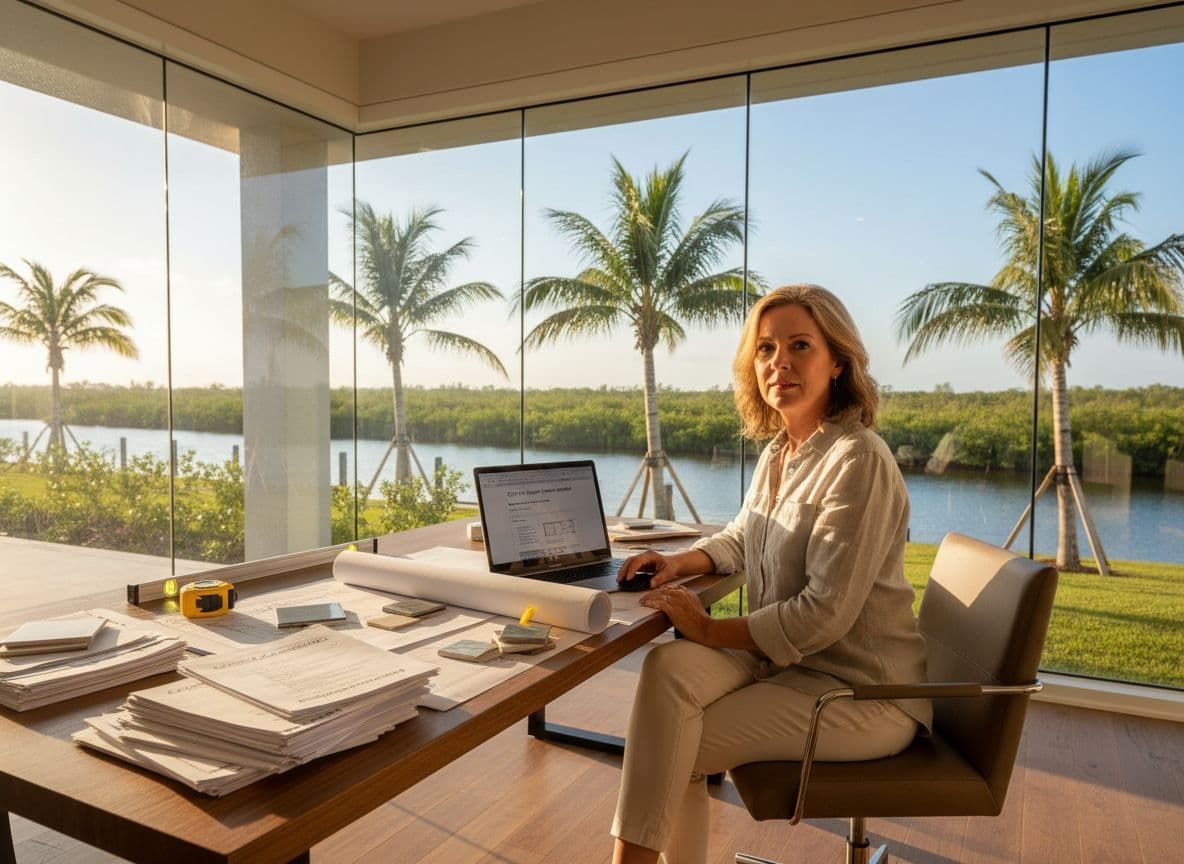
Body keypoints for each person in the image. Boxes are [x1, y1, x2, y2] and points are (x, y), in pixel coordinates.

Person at [610, 284, 931, 864]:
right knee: (667, 668)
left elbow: (822, 615)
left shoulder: (857, 459)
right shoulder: (780, 452)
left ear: (837, 362)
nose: (778, 362)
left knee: (667, 743)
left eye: (799, 345)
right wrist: (681, 562)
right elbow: (744, 534)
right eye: (765, 349)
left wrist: (707, 630)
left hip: (858, 694)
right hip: (784, 663)